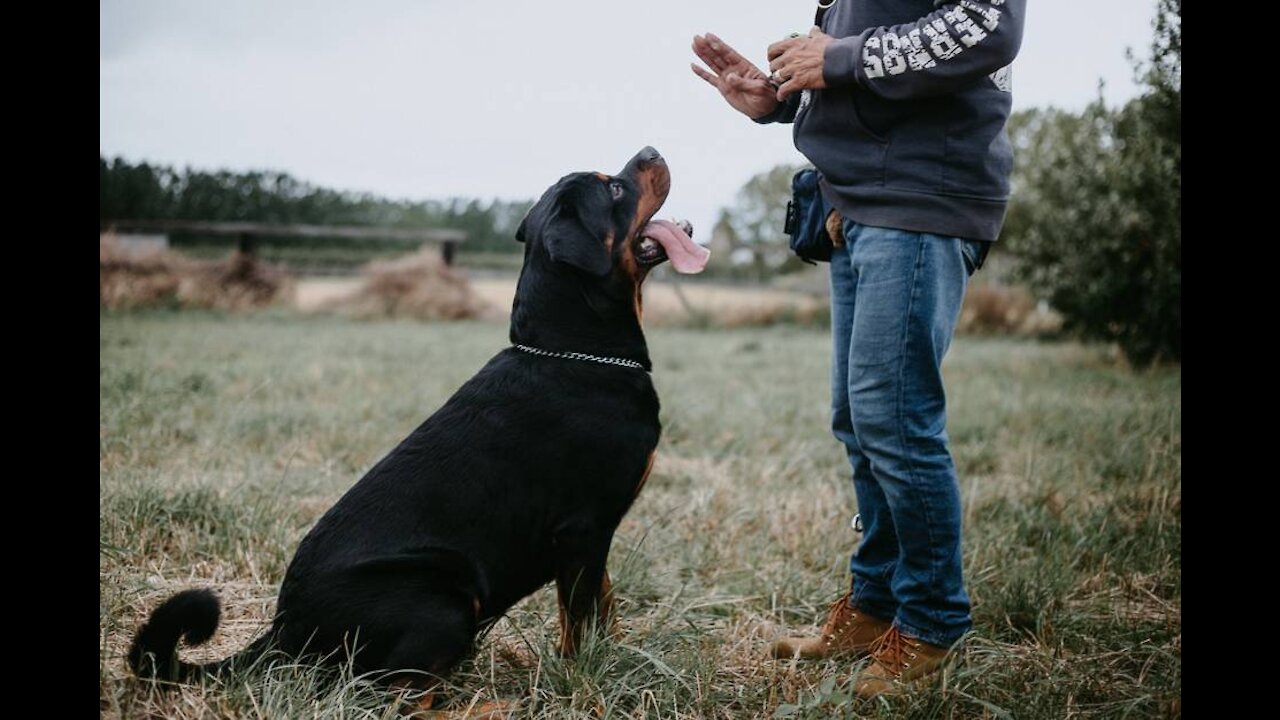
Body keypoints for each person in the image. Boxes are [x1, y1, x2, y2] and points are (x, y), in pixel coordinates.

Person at [691, 0, 1025, 698]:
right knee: (860, 419)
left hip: (920, 199)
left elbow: (987, 25)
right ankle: (875, 606)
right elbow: (873, 67)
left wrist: (836, 58)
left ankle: (932, 622)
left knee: (895, 420)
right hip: (858, 200)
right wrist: (781, 100)